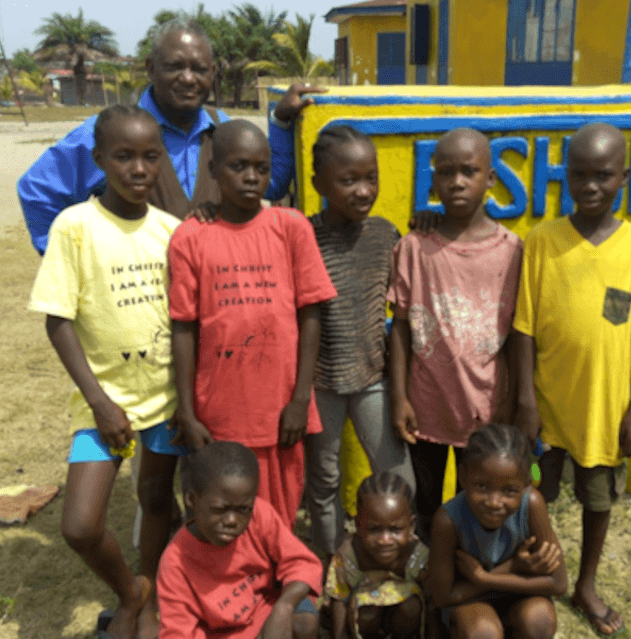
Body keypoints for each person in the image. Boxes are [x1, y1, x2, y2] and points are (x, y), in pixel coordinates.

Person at [27, 105, 186, 639]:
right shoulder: (75, 226)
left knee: (158, 499)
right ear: (99, 160)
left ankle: (152, 590)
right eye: (123, 156)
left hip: (162, 398)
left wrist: (186, 400)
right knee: (80, 525)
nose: (138, 169)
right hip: (104, 404)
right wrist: (98, 401)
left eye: (149, 157)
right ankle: (130, 590)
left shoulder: (171, 231)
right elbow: (58, 320)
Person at [513, 122, 631, 637]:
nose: (589, 186)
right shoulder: (543, 240)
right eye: (578, 175)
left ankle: (585, 583)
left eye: (602, 176)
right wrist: (524, 399)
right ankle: (532, 577)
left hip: (605, 410)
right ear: (564, 177)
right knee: (532, 499)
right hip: (547, 405)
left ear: (624, 178)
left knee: (598, 502)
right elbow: (523, 328)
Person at [17, 16, 319, 255]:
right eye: (175, 66)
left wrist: (280, 121)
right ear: (151, 68)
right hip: (140, 308)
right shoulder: (111, 132)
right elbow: (38, 191)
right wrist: (75, 265)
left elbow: (270, 186)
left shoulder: (224, 131)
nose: (188, 78)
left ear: (213, 73)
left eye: (199, 69)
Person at [167, 120, 337, 528]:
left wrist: (300, 399)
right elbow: (184, 327)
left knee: (280, 513)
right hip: (221, 409)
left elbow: (311, 312)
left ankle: (278, 584)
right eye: (238, 166)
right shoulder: (190, 238)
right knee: (227, 513)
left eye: (261, 168)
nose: (251, 177)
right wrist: (188, 412)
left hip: (281, 408)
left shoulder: (290, 227)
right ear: (213, 169)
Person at [388, 128, 523, 540]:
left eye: (469, 171)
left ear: (491, 178)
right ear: (433, 181)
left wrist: (511, 399)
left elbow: (519, 334)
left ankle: (470, 583)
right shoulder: (414, 247)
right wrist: (399, 397)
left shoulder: (512, 250)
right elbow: (401, 329)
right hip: (426, 404)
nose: (457, 182)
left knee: (479, 508)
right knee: (426, 505)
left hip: (485, 405)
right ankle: (431, 583)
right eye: (446, 172)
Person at [306, 125, 415, 557]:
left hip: (373, 378)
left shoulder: (386, 236)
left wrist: (429, 222)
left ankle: (406, 560)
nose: (362, 190)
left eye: (370, 177)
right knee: (324, 481)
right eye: (348, 180)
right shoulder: (303, 235)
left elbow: (409, 292)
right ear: (319, 184)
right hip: (319, 385)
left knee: (395, 473)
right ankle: (331, 564)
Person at [157, 441, 322, 639]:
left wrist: (283, 608)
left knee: (304, 621)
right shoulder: (175, 562)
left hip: (269, 616)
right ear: (192, 500)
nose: (232, 521)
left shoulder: (259, 515)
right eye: (219, 510)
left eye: (243, 509)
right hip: (221, 634)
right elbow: (177, 632)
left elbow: (302, 564)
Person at [427, 423, 567, 639]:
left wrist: (485, 579)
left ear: (526, 484)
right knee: (484, 633)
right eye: (482, 487)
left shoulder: (531, 505)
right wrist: (513, 567)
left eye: (509, 491)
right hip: (470, 603)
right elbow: (442, 597)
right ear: (463, 477)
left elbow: (559, 583)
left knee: (539, 620)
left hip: (519, 594)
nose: (494, 502)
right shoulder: (448, 520)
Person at [322, 472, 429, 639]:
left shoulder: (418, 555)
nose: (384, 540)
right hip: (364, 616)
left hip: (403, 617)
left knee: (412, 607)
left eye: (395, 530)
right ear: (357, 525)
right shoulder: (350, 553)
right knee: (367, 613)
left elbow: (433, 599)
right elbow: (339, 598)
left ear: (412, 526)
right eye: (374, 529)